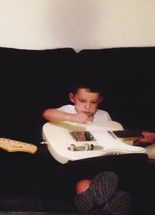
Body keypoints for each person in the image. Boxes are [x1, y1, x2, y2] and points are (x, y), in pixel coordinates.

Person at [42, 80, 131, 215]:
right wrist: (72, 117)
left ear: (100, 100)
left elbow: (112, 137)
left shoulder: (104, 116)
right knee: (84, 181)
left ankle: (94, 210)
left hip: (98, 161)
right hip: (76, 162)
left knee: (91, 181)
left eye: (93, 102)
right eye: (82, 101)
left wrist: (139, 138)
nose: (87, 106)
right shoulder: (68, 110)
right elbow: (47, 113)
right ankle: (104, 205)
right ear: (72, 98)